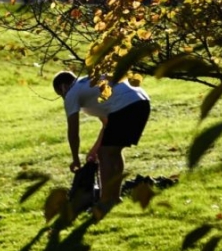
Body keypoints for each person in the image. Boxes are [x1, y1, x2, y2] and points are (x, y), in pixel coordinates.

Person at [52, 70, 151, 212]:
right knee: (112, 151)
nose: (63, 98)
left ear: (63, 87)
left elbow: (73, 131)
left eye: (60, 95)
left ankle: (105, 202)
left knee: (106, 154)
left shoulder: (72, 92)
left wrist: (75, 159)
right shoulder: (88, 84)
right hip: (141, 102)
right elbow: (107, 125)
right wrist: (94, 150)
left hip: (127, 105)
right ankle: (114, 198)